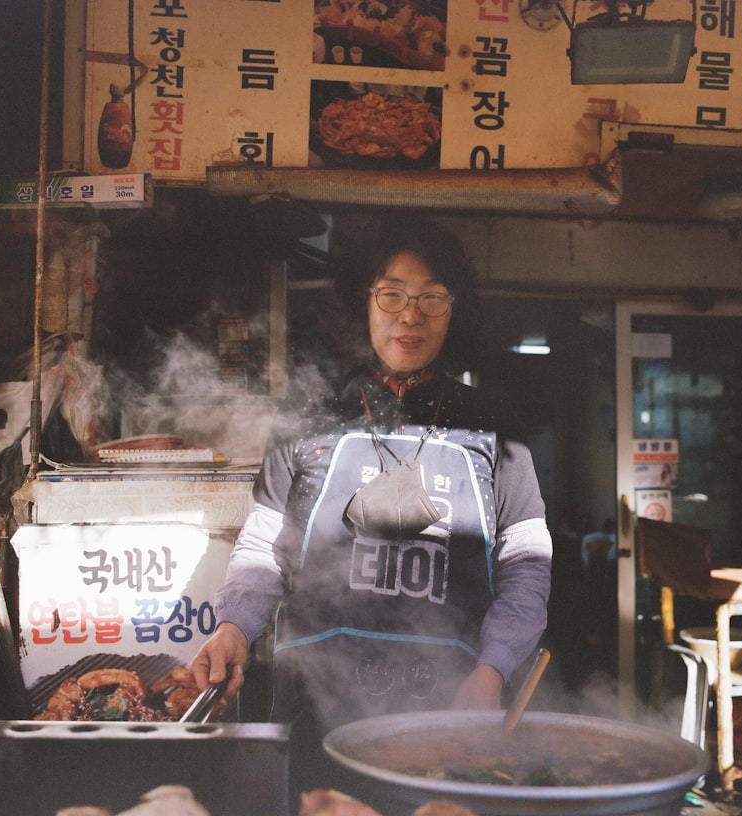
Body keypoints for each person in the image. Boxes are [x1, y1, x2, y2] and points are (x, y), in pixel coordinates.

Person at [190, 214, 552, 748]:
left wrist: (493, 669)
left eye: (433, 297)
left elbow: (527, 566)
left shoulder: (494, 427)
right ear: (363, 303)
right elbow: (265, 546)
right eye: (391, 295)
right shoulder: (308, 415)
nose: (411, 314)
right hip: (314, 703)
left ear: (456, 313)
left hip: (450, 702)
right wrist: (233, 626)